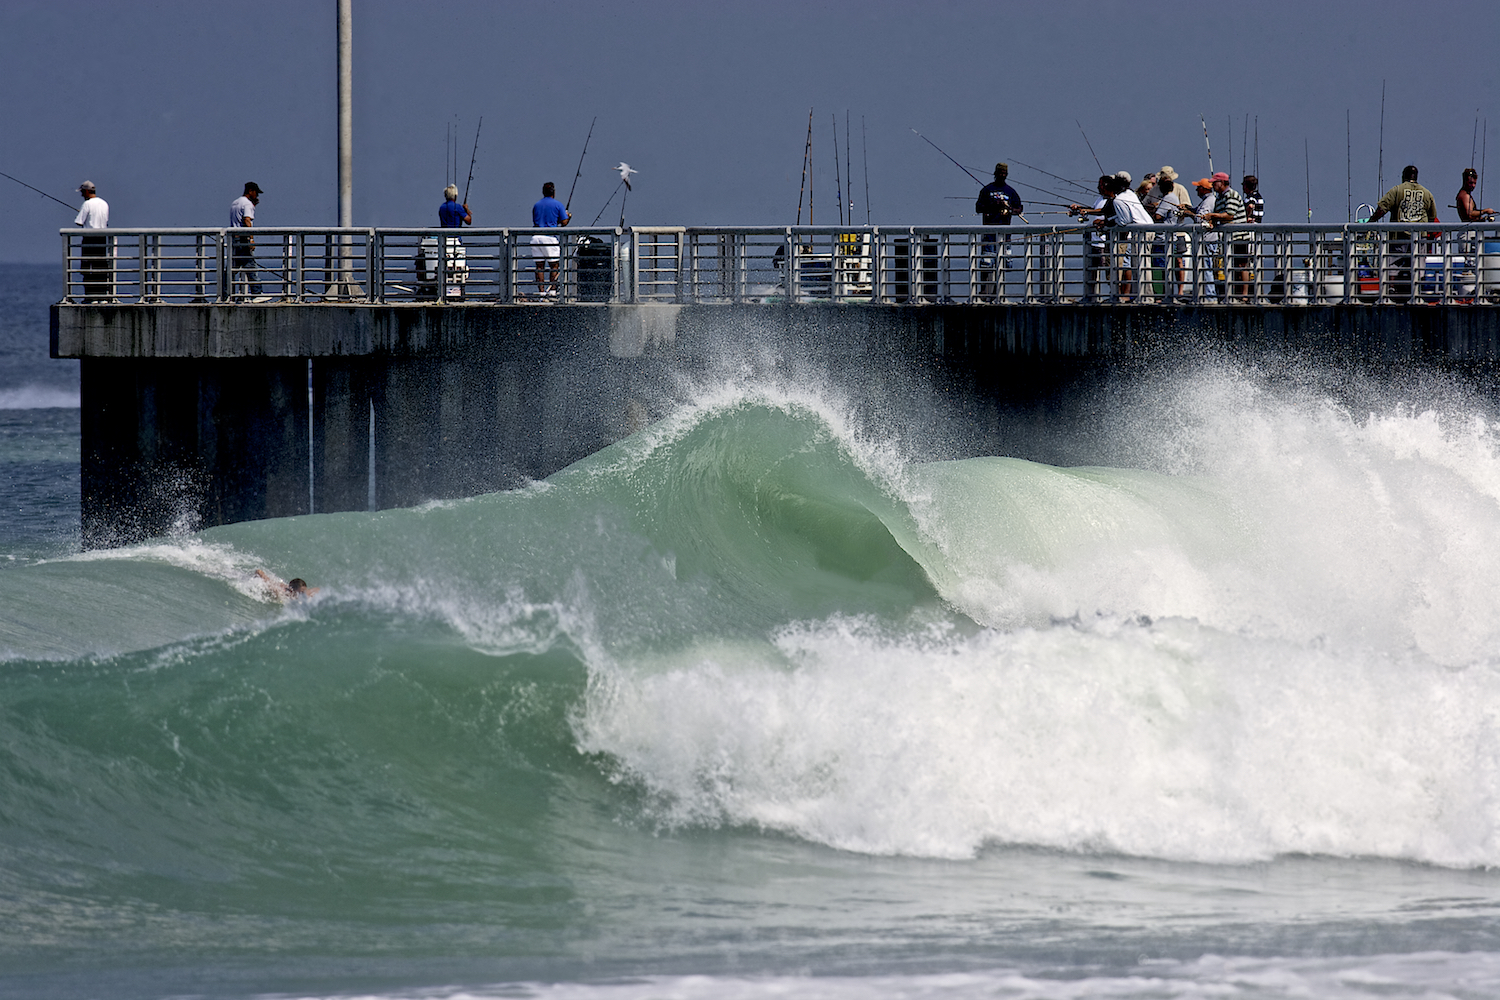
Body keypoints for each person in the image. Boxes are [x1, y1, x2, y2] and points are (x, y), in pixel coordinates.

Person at [1368, 165, 1437, 300]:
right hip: (1420, 236)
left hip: (1399, 234)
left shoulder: (1397, 190)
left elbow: (1382, 209)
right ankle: (1417, 290)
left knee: (1393, 262)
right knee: (1418, 264)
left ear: (1403, 176)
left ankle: (1392, 288)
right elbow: (1432, 217)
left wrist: (1370, 222)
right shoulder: (1427, 193)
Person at [975, 163, 1023, 300]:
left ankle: (998, 291)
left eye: (1004, 173)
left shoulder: (1011, 191)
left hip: (1005, 233)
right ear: (995, 173)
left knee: (1004, 262)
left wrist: (1010, 210)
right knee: (987, 261)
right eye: (1000, 172)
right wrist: (993, 205)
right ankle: (985, 291)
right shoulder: (987, 190)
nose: (1002, 175)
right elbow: (978, 208)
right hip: (989, 232)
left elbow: (1019, 208)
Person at [1202, 173, 1248, 300]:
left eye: (1215, 182)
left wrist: (1213, 215)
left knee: (1241, 265)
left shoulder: (1231, 195)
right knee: (1233, 266)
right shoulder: (1220, 197)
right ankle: (1235, 294)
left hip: (1239, 236)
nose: (1212, 185)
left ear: (1222, 183)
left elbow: (1229, 215)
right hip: (1229, 239)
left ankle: (1244, 295)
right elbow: (1220, 216)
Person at [530, 181, 570, 297]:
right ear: (554, 192)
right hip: (549, 238)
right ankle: (552, 291)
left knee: (539, 266)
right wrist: (569, 217)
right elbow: (564, 222)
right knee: (554, 265)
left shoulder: (536, 205)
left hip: (536, 237)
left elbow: (541, 221)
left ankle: (541, 293)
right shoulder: (558, 205)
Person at [74, 180, 110, 302]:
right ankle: (102, 295)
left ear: (87, 191)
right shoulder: (104, 203)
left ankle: (90, 296)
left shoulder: (87, 204)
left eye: (83, 192)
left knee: (87, 267)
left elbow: (79, 222)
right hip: (102, 238)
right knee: (101, 267)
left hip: (89, 239)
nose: (82, 195)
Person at [230, 181, 263, 298]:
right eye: (256, 193)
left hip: (234, 239)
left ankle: (225, 293)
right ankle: (257, 294)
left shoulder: (235, 203)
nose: (257, 196)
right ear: (250, 191)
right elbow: (247, 220)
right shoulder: (247, 204)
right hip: (243, 239)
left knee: (232, 268)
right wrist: (251, 239)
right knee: (251, 267)